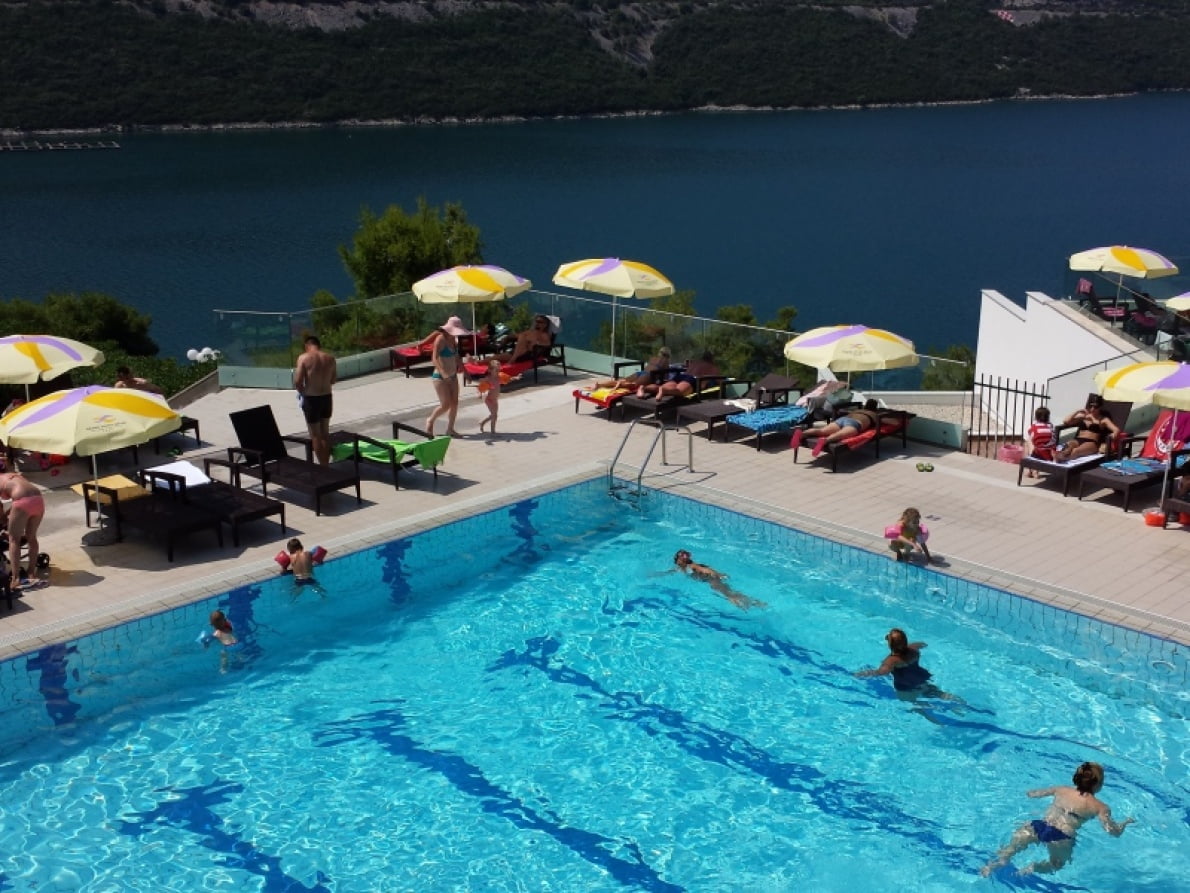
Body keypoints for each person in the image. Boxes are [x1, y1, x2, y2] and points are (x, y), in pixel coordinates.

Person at [981, 762, 1135, 877]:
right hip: (1061, 837)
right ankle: (1032, 868)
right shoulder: (1100, 807)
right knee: (1057, 864)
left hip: (1039, 825)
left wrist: (1027, 792)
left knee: (1009, 850)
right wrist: (1125, 823)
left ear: (1076, 778)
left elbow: (1033, 794)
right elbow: (1113, 832)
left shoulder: (1061, 789)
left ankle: (994, 865)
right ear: (1099, 785)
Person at [293, 334, 337, 465]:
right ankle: (326, 464)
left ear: (307, 346)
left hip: (312, 400)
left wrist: (302, 392)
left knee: (315, 435)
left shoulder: (303, 358)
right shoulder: (330, 358)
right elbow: (333, 380)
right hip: (327, 398)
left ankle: (323, 468)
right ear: (318, 345)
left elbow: (298, 381)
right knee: (325, 433)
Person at [672, 548, 765, 610]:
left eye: (680, 559)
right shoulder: (683, 567)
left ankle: (755, 603)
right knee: (730, 593)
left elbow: (705, 570)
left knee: (730, 596)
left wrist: (718, 574)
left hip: (713, 579)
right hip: (712, 579)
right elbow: (675, 570)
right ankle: (754, 603)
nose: (679, 562)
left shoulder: (692, 565)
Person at [791, 398, 882, 457]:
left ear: (866, 405)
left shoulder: (858, 410)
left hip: (842, 419)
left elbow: (846, 411)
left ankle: (802, 433)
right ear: (875, 408)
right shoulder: (874, 414)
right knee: (840, 434)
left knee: (822, 431)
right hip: (855, 423)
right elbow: (887, 420)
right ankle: (825, 440)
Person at [426, 316, 467, 437]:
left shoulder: (454, 340)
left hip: (453, 376)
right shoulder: (440, 339)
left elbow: (457, 357)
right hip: (440, 377)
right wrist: (443, 373)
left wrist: (466, 372)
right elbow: (434, 358)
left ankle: (450, 429)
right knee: (445, 405)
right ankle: (430, 420)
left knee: (455, 403)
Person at [0, 472, 45, 582]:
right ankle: (31, 573)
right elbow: (22, 498)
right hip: (38, 499)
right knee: (32, 538)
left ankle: (15, 578)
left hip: (22, 502)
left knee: (13, 540)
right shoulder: (12, 475)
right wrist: (6, 514)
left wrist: (3, 518)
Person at [1053, 395, 1119, 463]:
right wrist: (1077, 411)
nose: (1092, 409)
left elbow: (1116, 430)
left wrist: (1113, 435)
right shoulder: (1083, 416)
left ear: (1100, 407)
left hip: (1092, 442)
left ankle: (1059, 458)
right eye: (1091, 406)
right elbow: (1066, 421)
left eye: (1095, 407)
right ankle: (1059, 457)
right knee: (1068, 448)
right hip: (1078, 439)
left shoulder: (1103, 419)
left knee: (1076, 451)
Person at [476, 358, 517, 436]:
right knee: (494, 415)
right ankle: (493, 432)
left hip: (495, 400)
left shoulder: (499, 377)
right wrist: (479, 393)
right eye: (496, 370)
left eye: (499, 369)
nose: (498, 371)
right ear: (490, 370)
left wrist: (515, 377)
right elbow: (480, 386)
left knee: (494, 415)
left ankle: (482, 423)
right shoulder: (488, 379)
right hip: (489, 399)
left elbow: (508, 379)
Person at [1026, 405, 1057, 476]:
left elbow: (1031, 434)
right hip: (1051, 454)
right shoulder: (1051, 426)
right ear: (1048, 417)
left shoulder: (1034, 426)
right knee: (1037, 443)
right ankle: (1033, 470)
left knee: (1029, 441)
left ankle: (1032, 470)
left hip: (1039, 453)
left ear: (1036, 417)